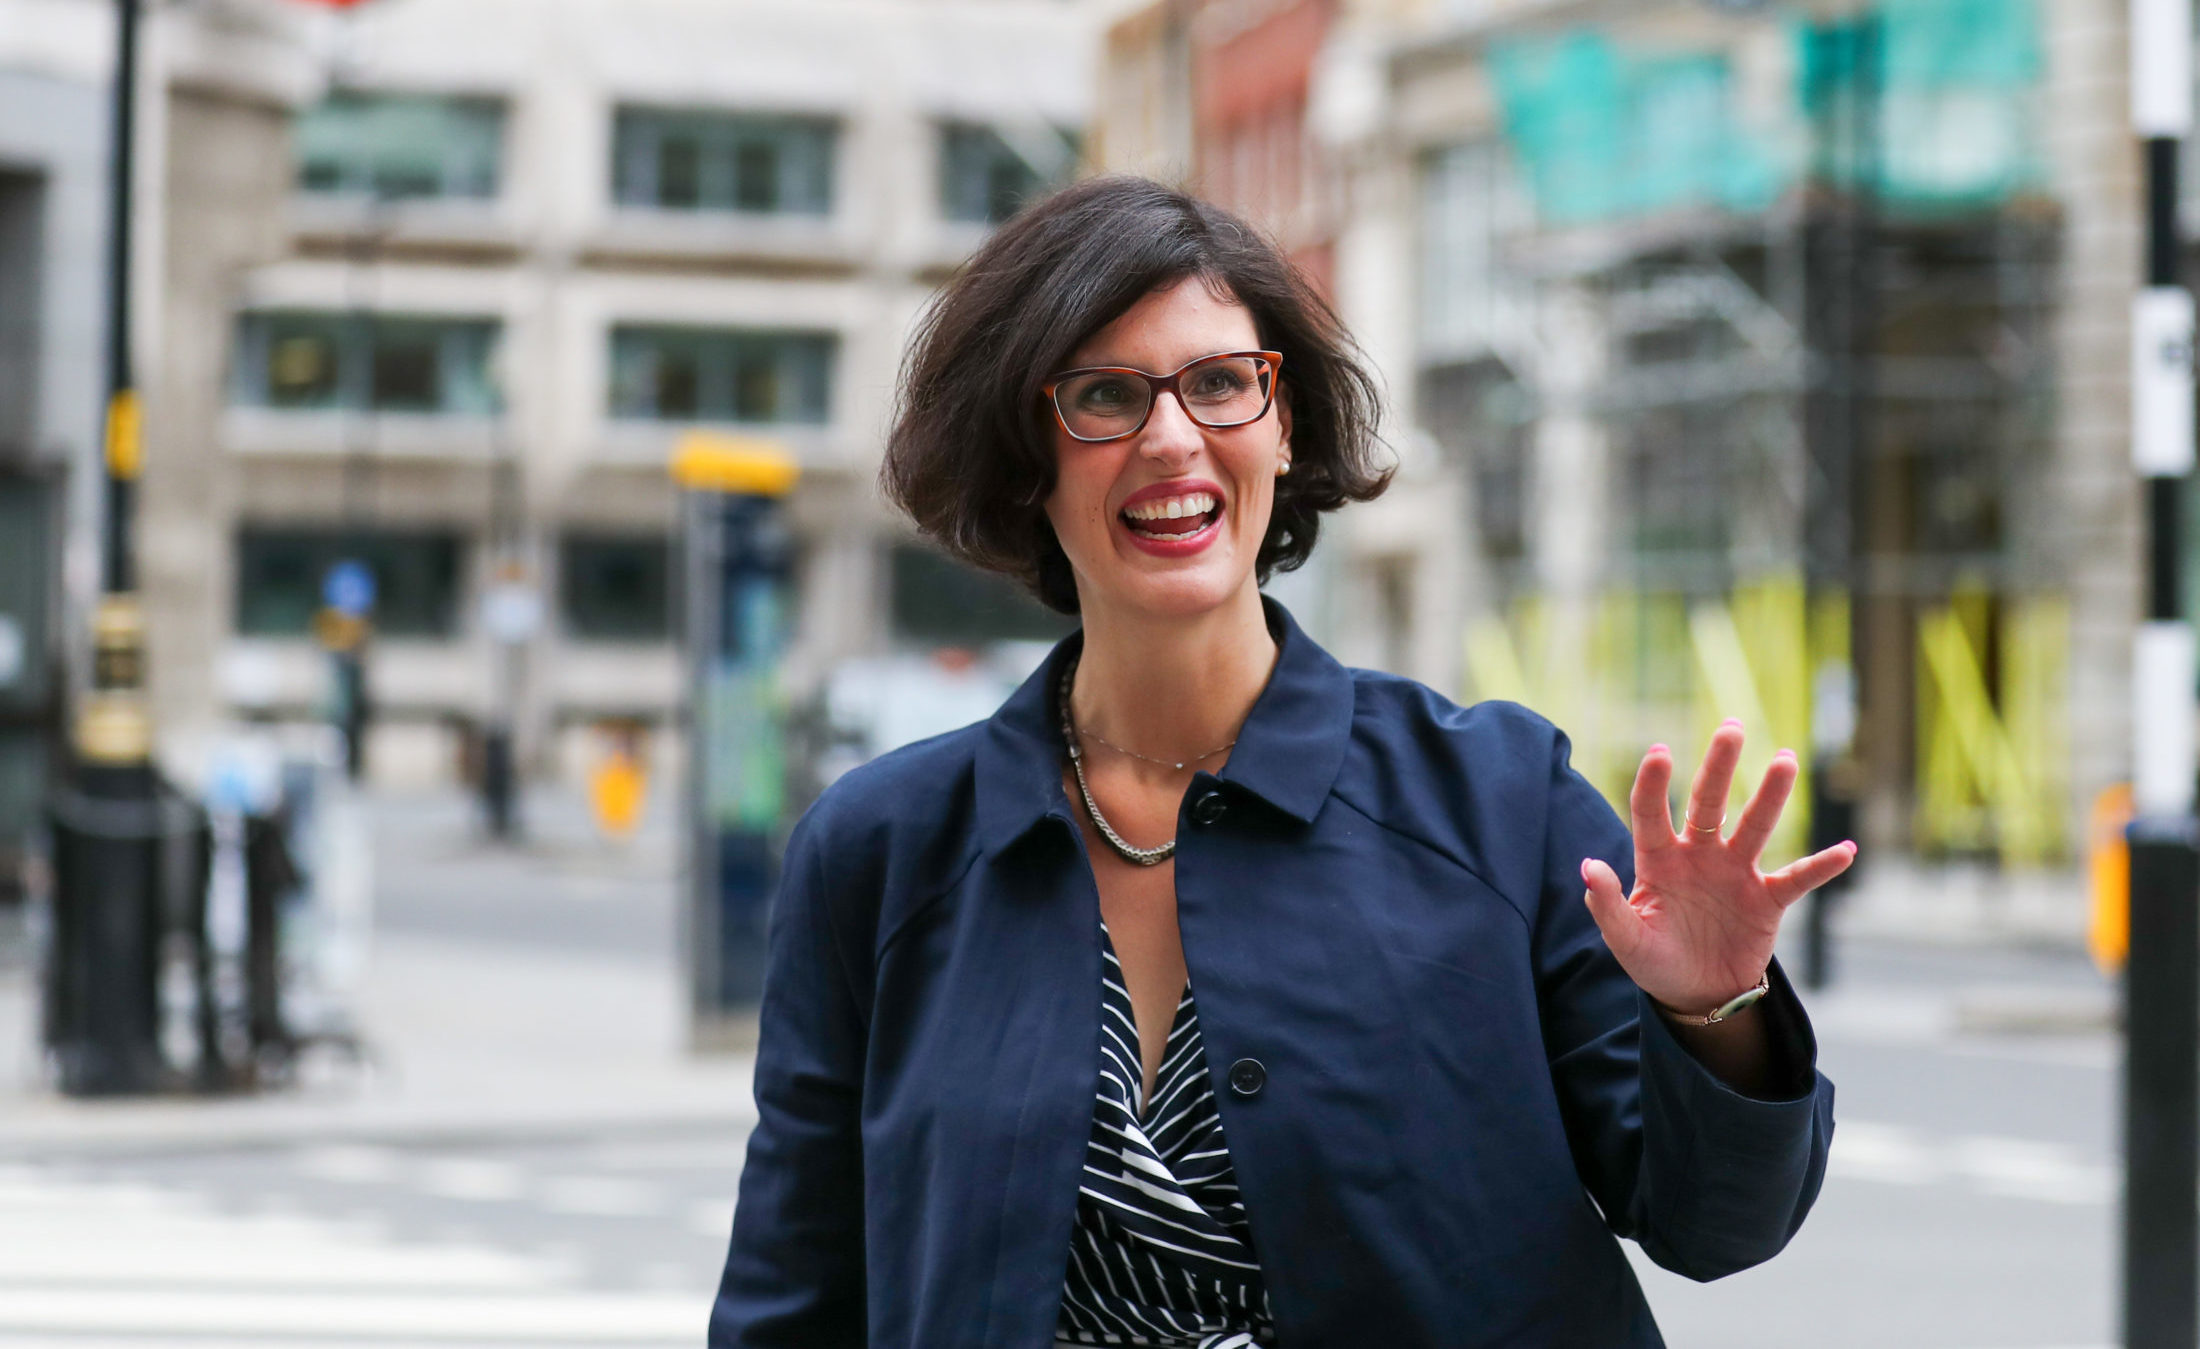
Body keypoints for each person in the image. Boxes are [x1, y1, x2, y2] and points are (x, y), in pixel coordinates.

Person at [709, 176, 1851, 1349]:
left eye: (1218, 383)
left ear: (1285, 420)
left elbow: (1716, 1227)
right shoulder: (882, 849)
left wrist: (1714, 1009)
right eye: (1103, 395)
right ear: (1022, 457)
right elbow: (793, 1297)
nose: (1171, 437)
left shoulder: (1500, 803)